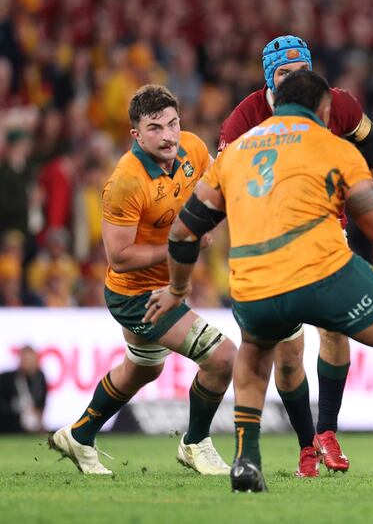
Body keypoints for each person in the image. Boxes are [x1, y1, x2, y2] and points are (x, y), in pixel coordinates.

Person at [145, 70, 373, 495]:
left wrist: (177, 290)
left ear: (276, 104)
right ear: (324, 109)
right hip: (323, 274)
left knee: (255, 349)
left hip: (255, 284)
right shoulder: (335, 148)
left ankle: (246, 460)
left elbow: (183, 232)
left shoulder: (235, 153)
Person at [217, 35, 373, 476]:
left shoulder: (337, 103)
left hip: (325, 228)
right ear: (269, 78)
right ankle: (305, 446)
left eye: (301, 72)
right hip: (270, 238)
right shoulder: (243, 120)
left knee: (335, 330)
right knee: (288, 353)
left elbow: (371, 139)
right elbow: (222, 186)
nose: (294, 81)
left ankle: (327, 431)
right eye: (284, 73)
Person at [48, 85, 236, 476]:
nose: (168, 136)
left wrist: (208, 221)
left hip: (167, 286)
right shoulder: (126, 181)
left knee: (144, 369)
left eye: (173, 124)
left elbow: (215, 189)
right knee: (222, 358)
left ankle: (79, 435)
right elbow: (118, 257)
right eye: (155, 128)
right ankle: (195, 443)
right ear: (136, 134)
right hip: (135, 295)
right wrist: (180, 245)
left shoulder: (192, 148)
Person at [0, 346, 47, 433]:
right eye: (25, 360)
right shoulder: (7, 379)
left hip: (32, 426)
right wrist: (13, 405)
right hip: (11, 426)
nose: (27, 363)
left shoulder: (39, 378)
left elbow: (42, 403)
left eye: (29, 360)